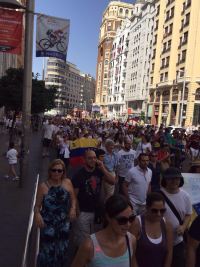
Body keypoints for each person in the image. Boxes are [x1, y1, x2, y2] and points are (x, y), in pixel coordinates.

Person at [71, 194, 137, 267]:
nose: (128, 224)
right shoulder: (89, 246)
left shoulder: (131, 240)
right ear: (108, 217)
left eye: (131, 218)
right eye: (122, 220)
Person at [34, 159, 76, 267]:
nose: (56, 173)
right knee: (48, 252)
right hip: (48, 224)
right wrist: (37, 214)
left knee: (62, 251)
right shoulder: (43, 186)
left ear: (63, 172)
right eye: (54, 170)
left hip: (63, 223)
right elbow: (37, 206)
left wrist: (73, 208)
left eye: (59, 171)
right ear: (50, 171)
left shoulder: (67, 183)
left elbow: (73, 199)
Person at [72, 150, 116, 248]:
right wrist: (77, 211)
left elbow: (112, 181)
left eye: (95, 157)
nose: (93, 160)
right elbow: (74, 195)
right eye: (90, 158)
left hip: (97, 212)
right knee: (84, 241)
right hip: (83, 212)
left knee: (96, 239)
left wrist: (103, 168)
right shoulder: (78, 175)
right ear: (84, 160)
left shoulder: (99, 171)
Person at [160, 167, 192, 267]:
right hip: (160, 241)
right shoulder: (158, 195)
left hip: (178, 241)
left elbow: (188, 214)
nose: (174, 181)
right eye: (171, 178)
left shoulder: (185, 196)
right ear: (165, 180)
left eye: (177, 178)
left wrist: (183, 226)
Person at [130, 192, 173, 267]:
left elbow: (169, 252)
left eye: (162, 211)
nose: (159, 214)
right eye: (154, 211)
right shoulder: (137, 223)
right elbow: (131, 253)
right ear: (147, 208)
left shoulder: (167, 225)